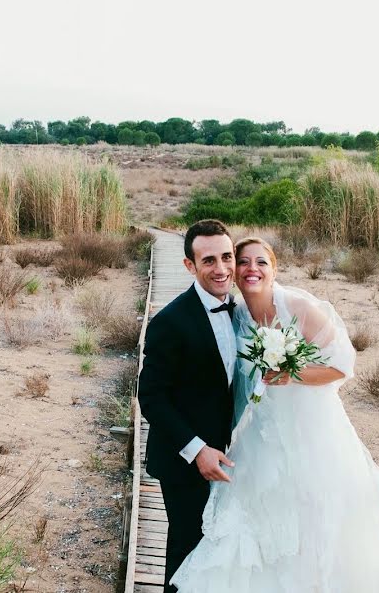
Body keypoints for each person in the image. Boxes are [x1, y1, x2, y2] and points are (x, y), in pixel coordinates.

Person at [170, 236, 379, 592]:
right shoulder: (235, 314)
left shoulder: (297, 306)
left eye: (261, 262)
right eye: (244, 262)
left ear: (274, 268)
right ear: (234, 271)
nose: (252, 269)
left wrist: (291, 373)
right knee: (253, 519)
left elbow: (342, 366)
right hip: (259, 433)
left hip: (307, 430)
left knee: (311, 518)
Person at [137, 219, 239, 593]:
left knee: (224, 544)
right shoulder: (170, 322)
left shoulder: (241, 313)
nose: (221, 268)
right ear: (189, 266)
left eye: (226, 257)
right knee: (187, 550)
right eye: (209, 260)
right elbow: (150, 397)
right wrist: (197, 451)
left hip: (233, 455)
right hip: (184, 461)